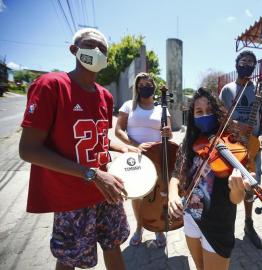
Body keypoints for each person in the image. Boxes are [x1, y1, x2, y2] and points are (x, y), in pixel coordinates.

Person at [19, 28, 133, 270]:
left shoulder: (105, 96)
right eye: (90, 45)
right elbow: (28, 150)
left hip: (107, 189)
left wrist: (121, 147)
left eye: (102, 49)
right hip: (71, 196)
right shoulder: (51, 86)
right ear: (74, 50)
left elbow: (96, 136)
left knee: (113, 244)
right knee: (69, 258)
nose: (97, 52)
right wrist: (91, 174)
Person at [168, 88, 251, 270]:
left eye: (210, 110)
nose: (205, 115)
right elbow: (176, 174)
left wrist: (238, 189)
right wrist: (172, 195)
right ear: (192, 116)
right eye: (199, 112)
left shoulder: (233, 144)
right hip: (191, 218)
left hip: (218, 224)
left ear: (218, 112)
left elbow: (236, 199)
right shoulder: (189, 143)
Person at [115, 72, 172, 247]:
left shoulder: (161, 108)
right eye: (142, 85)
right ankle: (139, 228)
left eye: (149, 84)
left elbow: (169, 134)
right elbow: (118, 130)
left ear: (154, 87)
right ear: (137, 88)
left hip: (157, 156)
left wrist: (167, 133)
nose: (145, 88)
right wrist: (135, 145)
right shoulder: (128, 106)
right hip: (135, 156)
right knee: (138, 196)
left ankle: (158, 229)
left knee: (158, 195)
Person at [219, 50, 262, 249]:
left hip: (252, 148)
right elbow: (219, 116)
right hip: (231, 146)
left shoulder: (259, 89)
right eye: (243, 61)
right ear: (237, 63)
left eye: (251, 62)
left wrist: (261, 136)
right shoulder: (227, 90)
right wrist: (236, 125)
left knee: (251, 186)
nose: (246, 64)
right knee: (229, 186)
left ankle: (249, 224)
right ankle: (226, 226)